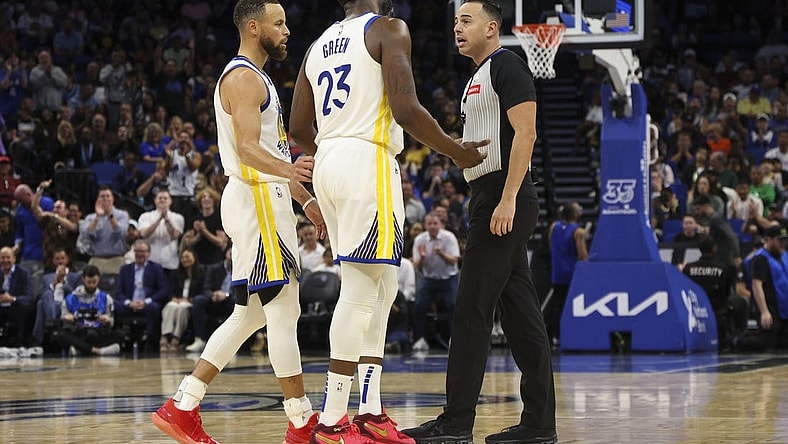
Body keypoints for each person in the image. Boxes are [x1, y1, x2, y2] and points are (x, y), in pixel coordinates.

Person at [289, 0, 485, 442]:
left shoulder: (318, 45)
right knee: (360, 290)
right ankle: (333, 419)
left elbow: (299, 126)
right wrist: (456, 151)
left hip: (329, 159)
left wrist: (332, 153)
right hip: (367, 160)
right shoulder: (389, 29)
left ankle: (371, 412)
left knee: (383, 286)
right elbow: (406, 109)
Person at [151, 2, 324, 443]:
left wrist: (305, 202)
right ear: (253, 26)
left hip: (262, 197)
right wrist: (289, 175)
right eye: (279, 23)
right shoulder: (244, 77)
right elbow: (249, 149)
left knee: (248, 315)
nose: (287, 30)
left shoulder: (256, 76)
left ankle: (183, 405)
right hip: (258, 198)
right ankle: (302, 422)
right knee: (284, 311)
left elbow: (274, 154)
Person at [402, 2, 557, 443]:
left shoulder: (508, 65)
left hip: (503, 196)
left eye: (465, 20)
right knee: (522, 317)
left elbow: (525, 133)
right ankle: (539, 426)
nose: (456, 27)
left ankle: (455, 424)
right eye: (454, 21)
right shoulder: (476, 75)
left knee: (471, 309)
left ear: (492, 28)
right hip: (487, 195)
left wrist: (507, 198)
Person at [682, 237, 749, 349]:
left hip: (697, 307)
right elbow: (728, 291)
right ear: (714, 249)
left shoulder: (688, 268)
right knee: (742, 302)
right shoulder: (724, 268)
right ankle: (737, 337)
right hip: (718, 307)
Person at [411, 212, 460, 352]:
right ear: (426, 225)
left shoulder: (448, 237)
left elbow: (455, 260)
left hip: (448, 278)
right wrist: (421, 257)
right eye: (429, 224)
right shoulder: (420, 239)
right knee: (419, 305)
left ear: (440, 224)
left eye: (435, 224)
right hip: (430, 279)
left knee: (453, 305)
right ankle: (421, 339)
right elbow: (416, 265)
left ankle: (453, 338)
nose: (432, 227)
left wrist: (441, 253)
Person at [53, 265, 123, 356]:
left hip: (98, 332)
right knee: (61, 336)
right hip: (78, 332)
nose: (91, 285)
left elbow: (111, 322)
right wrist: (67, 318)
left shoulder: (106, 298)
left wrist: (107, 319)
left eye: (94, 282)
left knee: (120, 335)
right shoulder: (71, 298)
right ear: (83, 279)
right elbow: (63, 318)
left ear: (99, 280)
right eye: (89, 282)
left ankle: (80, 350)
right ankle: (97, 351)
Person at [545, 202, 588, 347]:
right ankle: (567, 336)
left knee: (556, 305)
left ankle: (553, 337)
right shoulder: (579, 232)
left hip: (557, 272)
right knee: (570, 306)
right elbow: (583, 255)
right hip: (571, 273)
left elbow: (552, 246)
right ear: (575, 214)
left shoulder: (554, 227)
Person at [740, 226, 788, 351]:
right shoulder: (760, 258)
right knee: (767, 343)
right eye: (779, 241)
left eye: (784, 240)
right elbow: (757, 285)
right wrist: (764, 311)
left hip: (783, 305)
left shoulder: (784, 256)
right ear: (769, 240)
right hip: (770, 304)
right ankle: (736, 340)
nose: (782, 244)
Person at [114, 239, 170, 347]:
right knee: (115, 305)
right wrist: (129, 303)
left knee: (154, 307)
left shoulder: (156, 268)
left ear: (148, 253)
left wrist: (146, 302)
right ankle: (119, 340)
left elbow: (164, 290)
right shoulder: (125, 269)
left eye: (142, 251)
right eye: (137, 251)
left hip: (147, 304)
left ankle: (150, 340)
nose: (139, 254)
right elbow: (119, 292)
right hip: (130, 305)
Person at [185, 245, 235, 353]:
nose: (232, 257)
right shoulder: (215, 268)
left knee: (236, 302)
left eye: (235, 254)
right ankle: (199, 339)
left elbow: (242, 290)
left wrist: (226, 295)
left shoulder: (242, 270)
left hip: (229, 300)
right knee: (199, 300)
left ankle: (231, 343)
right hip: (214, 299)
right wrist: (214, 294)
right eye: (230, 254)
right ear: (226, 254)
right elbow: (206, 287)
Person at [31, 248, 82, 346]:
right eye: (57, 259)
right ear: (54, 261)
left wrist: (63, 282)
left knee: (41, 305)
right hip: (50, 303)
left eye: (62, 258)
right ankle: (52, 321)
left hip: (65, 305)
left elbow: (76, 295)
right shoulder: (46, 277)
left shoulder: (75, 276)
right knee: (45, 296)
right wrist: (53, 284)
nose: (60, 261)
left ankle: (38, 339)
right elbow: (39, 295)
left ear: (67, 260)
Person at [160, 248, 204, 353]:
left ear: (194, 258)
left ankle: (176, 338)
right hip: (177, 301)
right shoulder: (176, 274)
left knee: (182, 308)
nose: (185, 259)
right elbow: (170, 290)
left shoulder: (202, 273)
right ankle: (165, 337)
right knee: (170, 306)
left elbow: (203, 291)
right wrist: (173, 298)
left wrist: (189, 299)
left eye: (187, 257)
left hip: (191, 303)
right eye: (182, 258)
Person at [79, 186, 130, 275]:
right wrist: (97, 218)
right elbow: (86, 234)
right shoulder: (90, 217)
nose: (105, 199)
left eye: (108, 196)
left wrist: (110, 215)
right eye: (102, 196)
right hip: (96, 259)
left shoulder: (122, 215)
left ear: (112, 199)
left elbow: (121, 232)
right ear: (98, 199)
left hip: (116, 259)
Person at [138, 189, 184, 275]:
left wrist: (167, 221)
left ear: (170, 201)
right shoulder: (145, 216)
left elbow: (175, 235)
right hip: (151, 261)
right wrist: (158, 220)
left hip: (170, 263)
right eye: (160, 198)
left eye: (165, 198)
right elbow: (144, 234)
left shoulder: (178, 217)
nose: (162, 200)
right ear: (155, 200)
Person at [0, 246, 34, 347]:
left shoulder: (23, 273)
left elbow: (29, 297)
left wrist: (12, 299)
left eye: (8, 257)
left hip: (15, 306)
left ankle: (19, 344)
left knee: (23, 309)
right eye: (2, 257)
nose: (5, 260)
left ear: (14, 259)